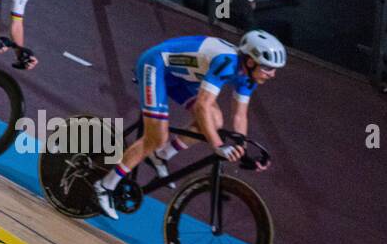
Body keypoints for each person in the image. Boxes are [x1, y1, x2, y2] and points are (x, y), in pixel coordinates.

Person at [92, 31, 285, 220]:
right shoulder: (226, 63)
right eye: (268, 68)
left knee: (215, 121)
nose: (273, 74)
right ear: (250, 62)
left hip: (180, 76)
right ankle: (105, 185)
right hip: (156, 65)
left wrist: (241, 149)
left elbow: (240, 115)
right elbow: (202, 105)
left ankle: (161, 155)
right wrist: (217, 146)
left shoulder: (248, 77)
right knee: (157, 137)